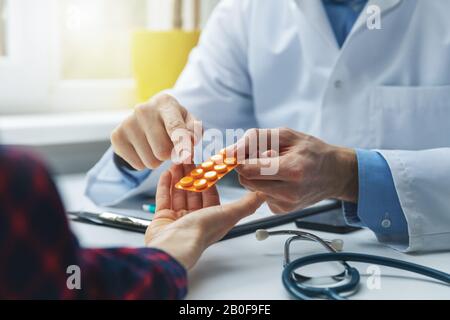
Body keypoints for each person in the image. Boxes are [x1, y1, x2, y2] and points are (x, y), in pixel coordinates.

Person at [87, 0, 450, 252]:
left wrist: (351, 175)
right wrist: (139, 147)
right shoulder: (247, 12)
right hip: (276, 259)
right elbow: (190, 141)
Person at [0, 147, 263, 299]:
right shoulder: (16, 178)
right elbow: (78, 284)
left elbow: (70, 277)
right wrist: (167, 254)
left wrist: (168, 248)